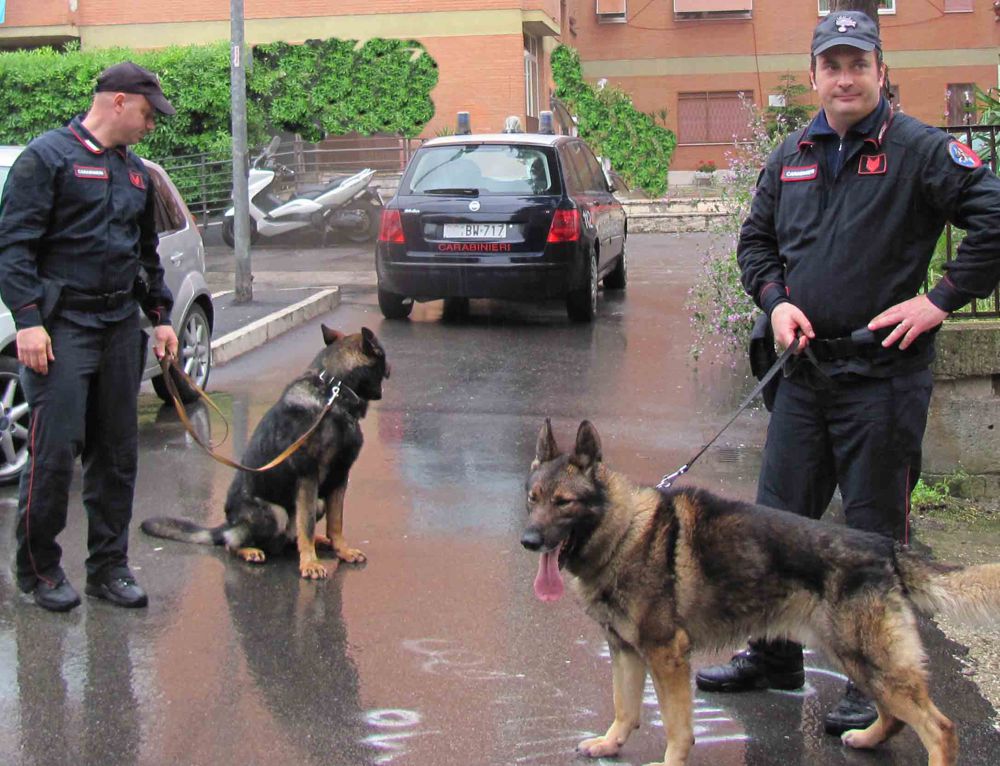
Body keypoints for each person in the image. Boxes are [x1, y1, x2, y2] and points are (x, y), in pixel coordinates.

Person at [695, 11, 1000, 736]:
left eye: (857, 63)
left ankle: (874, 687)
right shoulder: (791, 154)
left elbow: (994, 217)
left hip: (882, 381)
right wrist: (775, 303)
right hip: (804, 374)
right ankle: (773, 661)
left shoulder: (921, 150)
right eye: (831, 65)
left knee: (868, 541)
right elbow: (756, 242)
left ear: (880, 71)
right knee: (772, 526)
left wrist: (939, 301)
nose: (844, 77)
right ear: (813, 77)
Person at [0, 61, 179, 612]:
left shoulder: (136, 173)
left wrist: (162, 314)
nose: (152, 125)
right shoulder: (46, 159)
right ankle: (38, 570)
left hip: (118, 326)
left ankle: (108, 568)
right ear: (119, 101)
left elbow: (144, 254)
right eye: (148, 113)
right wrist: (28, 320)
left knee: (117, 454)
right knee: (54, 454)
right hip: (62, 329)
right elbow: (14, 247)